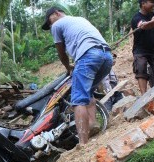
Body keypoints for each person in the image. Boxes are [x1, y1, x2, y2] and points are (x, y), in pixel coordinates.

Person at [42, 6, 113, 145]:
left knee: (78, 99)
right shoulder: (80, 19)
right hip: (106, 56)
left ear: (56, 13)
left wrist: (68, 67)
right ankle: (92, 125)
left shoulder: (57, 25)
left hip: (88, 56)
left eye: (49, 21)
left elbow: (61, 52)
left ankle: (83, 143)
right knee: (88, 92)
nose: (50, 25)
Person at [131, 0, 154, 94]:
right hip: (140, 50)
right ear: (143, 3)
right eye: (152, 2)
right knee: (140, 66)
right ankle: (144, 96)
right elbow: (145, 26)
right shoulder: (136, 18)